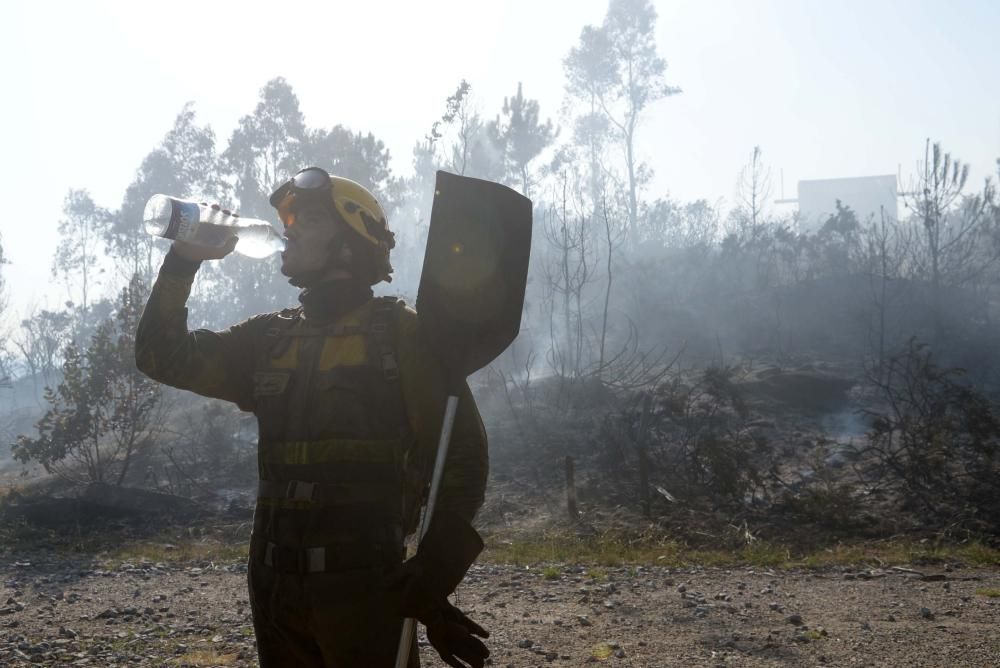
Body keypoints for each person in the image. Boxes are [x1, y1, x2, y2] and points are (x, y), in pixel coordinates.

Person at [135, 167, 490, 667]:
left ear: (350, 241)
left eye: (309, 219)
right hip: (273, 588)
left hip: (365, 592)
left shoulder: (402, 336)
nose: (291, 228)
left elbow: (464, 460)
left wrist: (433, 575)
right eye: (289, 218)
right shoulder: (268, 339)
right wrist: (182, 261)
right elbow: (160, 355)